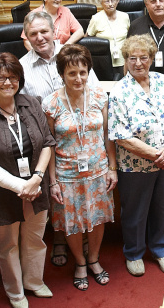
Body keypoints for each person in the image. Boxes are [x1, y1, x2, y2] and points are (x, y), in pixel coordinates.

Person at [0, 53, 55, 308]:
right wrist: (22, 187)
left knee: (35, 237)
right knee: (7, 243)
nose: (8, 82)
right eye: (1, 78)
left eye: (13, 77)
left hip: (36, 185)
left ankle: (33, 281)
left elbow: (48, 143)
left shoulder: (32, 103)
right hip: (2, 191)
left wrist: (37, 178)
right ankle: (15, 291)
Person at [19, 9, 100, 267]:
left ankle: (86, 242)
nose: (40, 37)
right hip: (46, 139)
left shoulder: (72, 56)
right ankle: (61, 241)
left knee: (80, 197)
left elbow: (94, 89)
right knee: (58, 197)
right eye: (34, 34)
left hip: (82, 138)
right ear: (27, 37)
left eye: (44, 31)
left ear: (54, 31)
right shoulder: (22, 67)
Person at [108, 35, 164, 276]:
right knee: (135, 211)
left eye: (144, 57)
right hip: (135, 164)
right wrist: (155, 154)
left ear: (152, 58)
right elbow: (120, 135)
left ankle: (161, 249)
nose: (138, 63)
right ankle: (134, 252)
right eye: (133, 58)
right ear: (126, 60)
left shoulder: (163, 82)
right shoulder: (120, 91)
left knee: (163, 208)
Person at [43, 45, 117, 290]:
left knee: (97, 218)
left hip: (98, 169)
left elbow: (108, 136)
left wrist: (112, 168)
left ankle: (94, 259)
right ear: (62, 74)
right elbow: (49, 145)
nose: (78, 78)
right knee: (71, 220)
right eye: (72, 73)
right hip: (66, 172)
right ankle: (80, 262)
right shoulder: (51, 103)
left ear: (89, 72)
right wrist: (52, 180)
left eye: (83, 72)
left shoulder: (99, 96)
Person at [87, 0, 131, 78]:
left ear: (117, 1)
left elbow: (130, 38)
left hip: (124, 61)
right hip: (103, 63)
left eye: (113, 0)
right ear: (101, 3)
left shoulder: (125, 17)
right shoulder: (96, 18)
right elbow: (88, 39)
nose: (110, 4)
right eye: (107, 1)